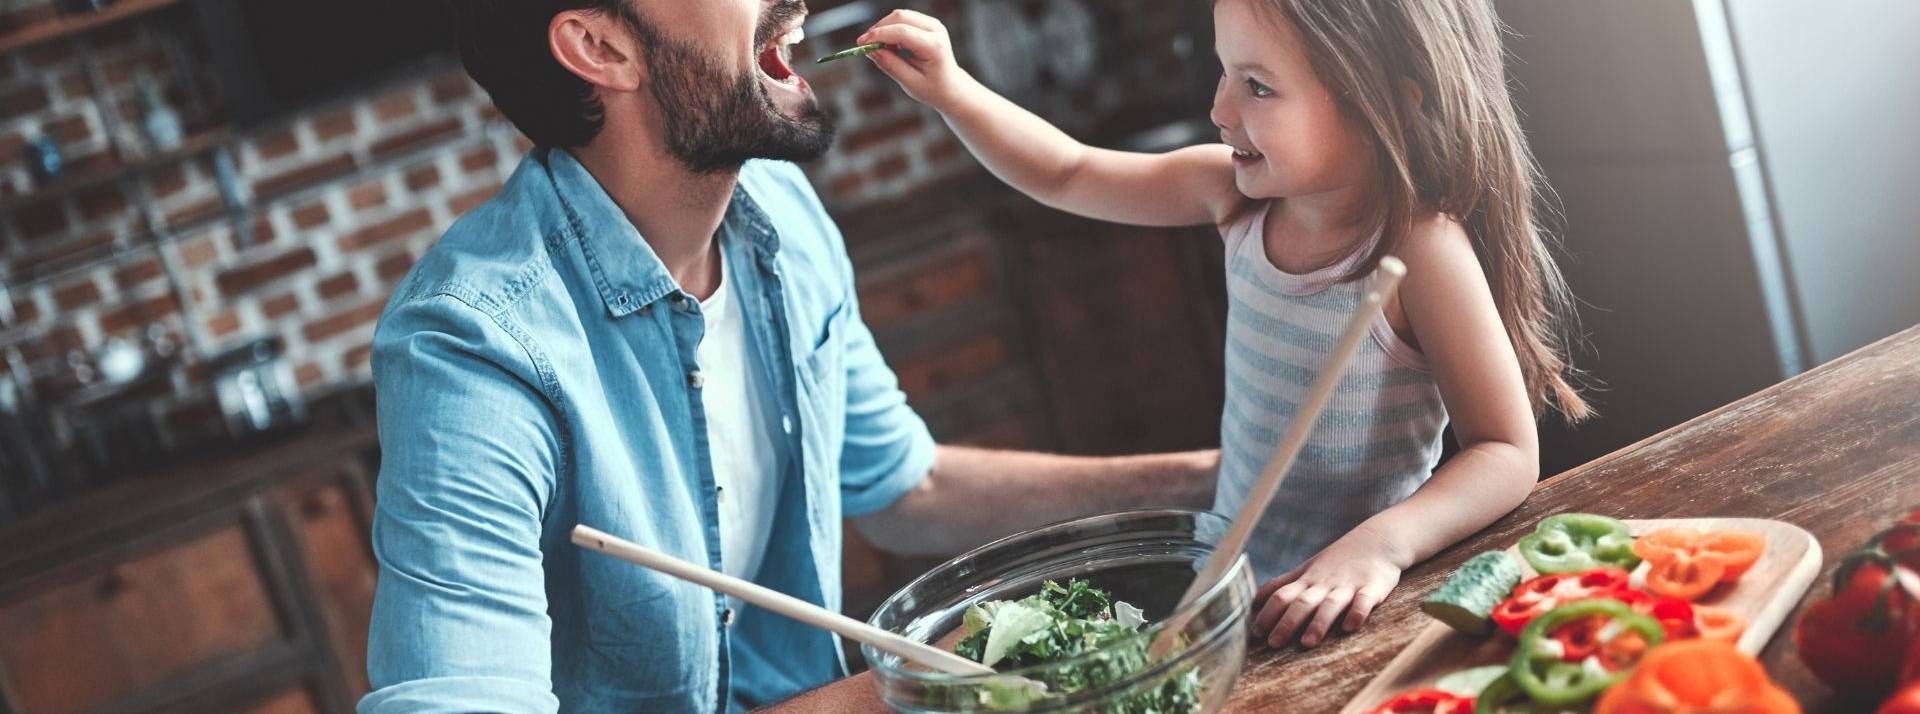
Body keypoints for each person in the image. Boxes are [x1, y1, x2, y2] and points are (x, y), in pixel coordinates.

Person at [359, 1, 1218, 711]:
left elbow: (904, 489)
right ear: (600, 46)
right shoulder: (472, 350)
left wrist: (1222, 478)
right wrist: (905, 692)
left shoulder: (777, 213)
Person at [860, 0, 1590, 651]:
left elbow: (1503, 450)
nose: (1220, 109)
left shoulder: (1418, 248)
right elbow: (1068, 171)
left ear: (1387, 106)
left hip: (1360, 608)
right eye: (1223, 73)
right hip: (1232, 596)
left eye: (1258, 86)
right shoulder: (1233, 198)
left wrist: (1380, 548)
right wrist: (954, 93)